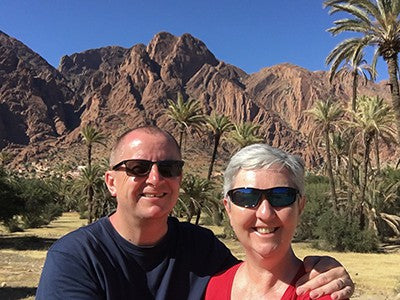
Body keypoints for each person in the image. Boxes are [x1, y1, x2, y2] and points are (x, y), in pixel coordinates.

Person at [36, 126, 353, 299]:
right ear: (111, 182)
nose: (156, 179)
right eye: (138, 168)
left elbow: (263, 270)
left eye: (169, 168)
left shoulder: (202, 249)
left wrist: (325, 269)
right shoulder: (76, 258)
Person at [205, 144, 349, 300]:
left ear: (300, 206)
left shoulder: (320, 294)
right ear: (228, 209)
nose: (265, 213)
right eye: (246, 197)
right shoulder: (212, 287)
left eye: (281, 196)